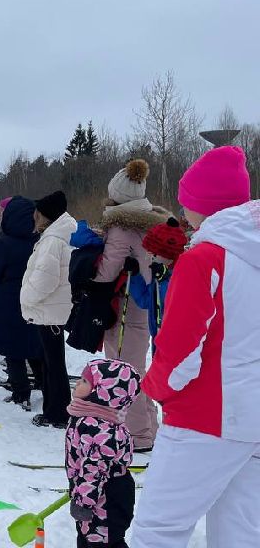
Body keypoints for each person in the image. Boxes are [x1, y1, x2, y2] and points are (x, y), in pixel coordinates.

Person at [133, 146, 259, 547]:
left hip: (205, 417)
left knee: (158, 529)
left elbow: (179, 354)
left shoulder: (203, 260)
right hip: (252, 417)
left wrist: (154, 390)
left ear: (203, 205)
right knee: (241, 532)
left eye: (187, 201)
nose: (183, 212)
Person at [93, 159, 168, 452]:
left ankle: (138, 435)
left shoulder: (122, 227)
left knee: (125, 370)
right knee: (137, 367)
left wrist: (89, 266)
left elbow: (107, 272)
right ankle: (148, 427)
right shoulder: (153, 221)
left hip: (128, 304)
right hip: (150, 302)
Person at [66, 359, 141, 547]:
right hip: (94, 492)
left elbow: (94, 468)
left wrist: (83, 502)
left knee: (104, 541)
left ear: (102, 391)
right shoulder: (92, 417)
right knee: (87, 535)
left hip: (105, 496)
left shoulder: (99, 428)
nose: (78, 383)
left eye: (85, 381)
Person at [0, 197, 44, 413]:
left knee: (13, 349)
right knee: (34, 344)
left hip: (8, 300)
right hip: (33, 298)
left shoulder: (5, 244)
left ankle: (21, 392)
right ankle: (44, 383)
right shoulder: (39, 242)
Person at [21, 190, 78, 428]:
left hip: (49, 310)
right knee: (51, 363)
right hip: (52, 309)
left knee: (53, 364)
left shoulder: (53, 240)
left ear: (45, 216)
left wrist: (27, 297)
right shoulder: (57, 236)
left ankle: (58, 413)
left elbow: (46, 278)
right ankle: (54, 410)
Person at [127, 217, 187, 346]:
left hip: (174, 343)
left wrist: (165, 280)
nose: (149, 258)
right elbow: (146, 301)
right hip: (157, 339)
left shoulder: (182, 276)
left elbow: (175, 307)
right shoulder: (158, 277)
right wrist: (135, 275)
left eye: (153, 254)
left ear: (168, 255)